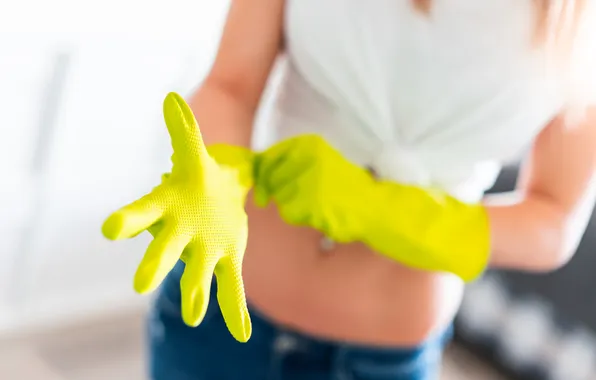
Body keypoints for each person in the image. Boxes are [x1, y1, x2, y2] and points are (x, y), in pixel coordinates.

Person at [106, 1, 596, 379]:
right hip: (215, 321)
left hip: (379, 360)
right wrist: (213, 176)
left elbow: (553, 221)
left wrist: (378, 210)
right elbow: (230, 83)